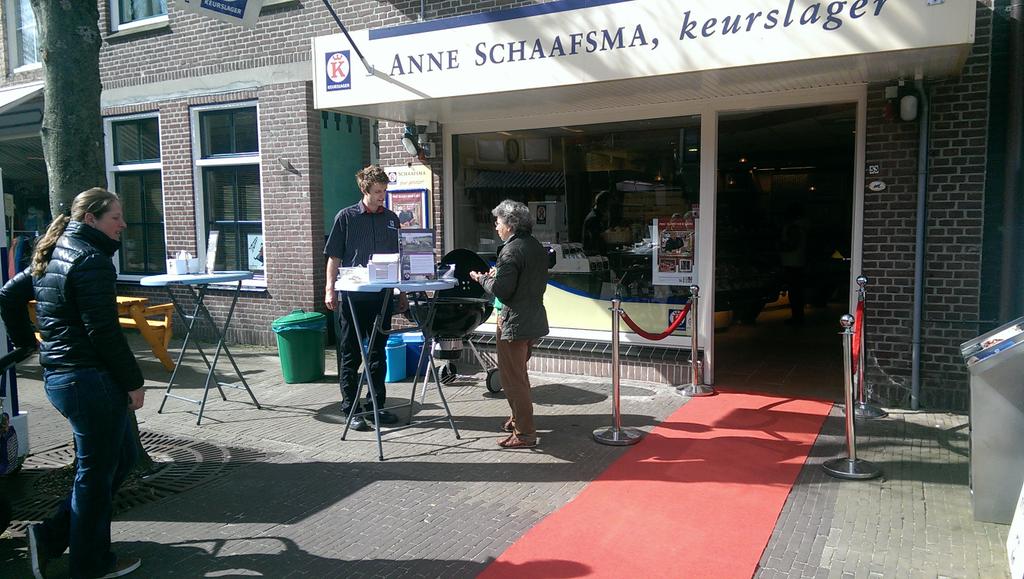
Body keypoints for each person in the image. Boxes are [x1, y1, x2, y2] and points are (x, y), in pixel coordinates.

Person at [0, 188, 145, 579]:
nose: (123, 224)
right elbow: (104, 332)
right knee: (95, 475)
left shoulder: (55, 254)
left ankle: (48, 538)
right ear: (91, 220)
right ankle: (89, 563)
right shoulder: (91, 260)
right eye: (115, 216)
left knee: (122, 459)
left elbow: (8, 296)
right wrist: (134, 382)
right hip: (88, 380)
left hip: (66, 379)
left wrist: (26, 343)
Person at [324, 165, 404, 431]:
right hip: (353, 296)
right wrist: (329, 289)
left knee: (378, 352)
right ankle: (350, 408)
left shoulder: (391, 218)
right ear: (365, 190)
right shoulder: (346, 217)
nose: (383, 196)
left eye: (385, 191)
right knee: (351, 353)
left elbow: (399, 259)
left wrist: (401, 292)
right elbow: (334, 256)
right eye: (378, 192)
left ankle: (376, 405)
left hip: (381, 297)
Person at [470, 200, 549, 449]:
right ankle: (517, 419)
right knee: (519, 375)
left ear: (510, 224)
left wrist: (482, 279)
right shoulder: (534, 246)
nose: (496, 227)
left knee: (512, 380)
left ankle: (525, 433)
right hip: (532, 318)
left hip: (514, 322)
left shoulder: (511, 250)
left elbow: (502, 291)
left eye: (498, 222)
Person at [779, 203, 808, 325]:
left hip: (792, 263)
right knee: (797, 292)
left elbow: (791, 245)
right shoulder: (802, 227)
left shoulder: (793, 228)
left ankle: (797, 317)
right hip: (798, 261)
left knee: (794, 292)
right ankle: (798, 316)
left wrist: (779, 247)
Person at [581, 190, 609, 255]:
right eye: (608, 205)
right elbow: (595, 238)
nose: (608, 208)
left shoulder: (596, 217)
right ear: (603, 204)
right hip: (594, 254)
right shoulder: (593, 218)